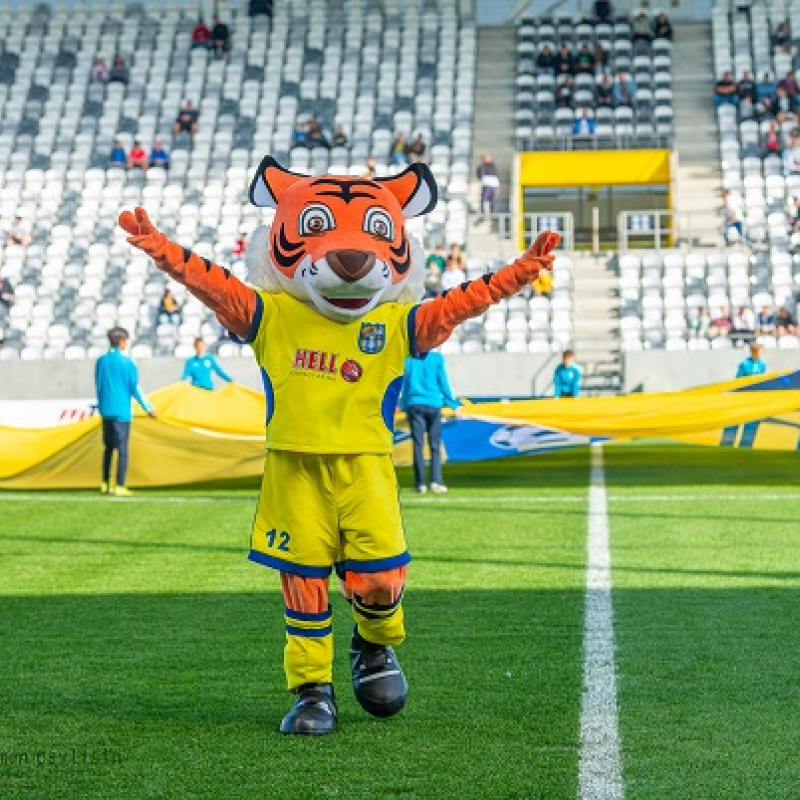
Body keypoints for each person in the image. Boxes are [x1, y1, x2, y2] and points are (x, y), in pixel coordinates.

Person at [95, 327, 156, 496]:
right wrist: (149, 408)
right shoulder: (127, 363)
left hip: (106, 410)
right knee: (122, 449)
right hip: (121, 411)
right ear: (122, 341)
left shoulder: (101, 361)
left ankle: (105, 483)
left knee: (108, 448)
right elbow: (135, 388)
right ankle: (120, 485)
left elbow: (98, 385)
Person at [400, 351, 460, 494]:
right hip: (433, 404)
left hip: (415, 405)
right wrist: (453, 405)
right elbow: (443, 382)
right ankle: (436, 481)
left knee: (418, 445)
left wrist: (403, 407)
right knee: (435, 445)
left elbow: (405, 385)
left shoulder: (408, 359)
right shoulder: (436, 358)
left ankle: (420, 484)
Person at [476, 153, 500, 219]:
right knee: (483, 199)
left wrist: (497, 187)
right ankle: (483, 213)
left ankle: (493, 214)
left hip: (493, 185)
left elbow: (497, 176)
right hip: (486, 185)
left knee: (492, 200)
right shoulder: (481, 166)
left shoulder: (493, 166)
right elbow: (479, 175)